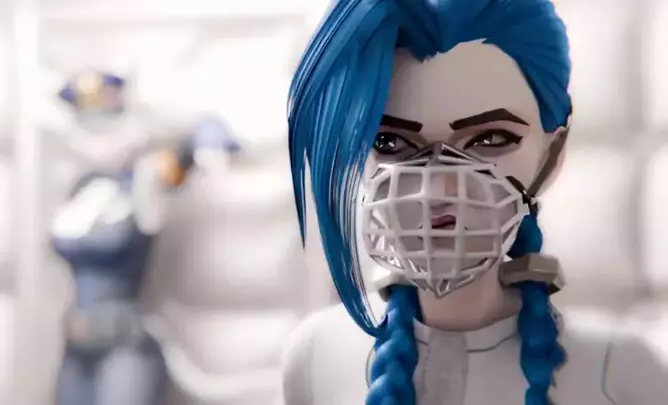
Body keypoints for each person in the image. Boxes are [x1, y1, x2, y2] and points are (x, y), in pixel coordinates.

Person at [282, 1, 668, 404]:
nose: (438, 187)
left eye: (490, 140)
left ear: (553, 153)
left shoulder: (623, 374)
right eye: (389, 142)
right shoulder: (315, 359)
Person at [49, 71, 239, 405]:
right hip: (77, 345)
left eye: (105, 121)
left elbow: (198, 138)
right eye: (88, 122)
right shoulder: (80, 187)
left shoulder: (146, 180)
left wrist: (207, 143)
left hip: (124, 347)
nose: (98, 135)